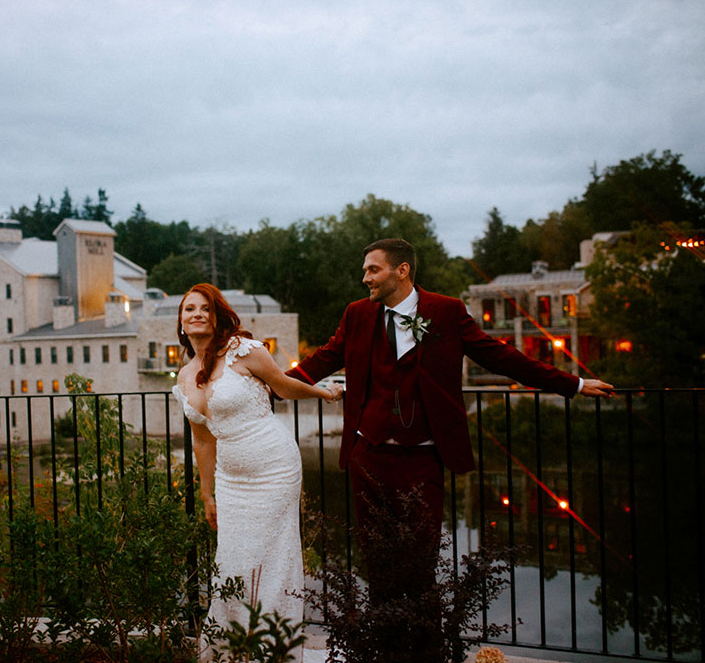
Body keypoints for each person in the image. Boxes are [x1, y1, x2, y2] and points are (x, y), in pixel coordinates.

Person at [286, 238, 614, 659]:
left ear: (402, 270)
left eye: (373, 269)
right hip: (368, 457)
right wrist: (267, 384)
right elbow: (321, 360)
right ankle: (386, 652)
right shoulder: (357, 314)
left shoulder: (445, 311)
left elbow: (500, 357)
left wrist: (573, 383)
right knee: (379, 565)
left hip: (423, 456)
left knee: (420, 566)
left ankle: (426, 652)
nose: (364, 277)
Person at [172, 283, 342, 661]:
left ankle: (273, 649)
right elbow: (202, 442)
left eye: (205, 308)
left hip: (274, 468)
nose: (196, 314)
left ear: (217, 317)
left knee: (271, 558)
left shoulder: (243, 351)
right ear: (181, 323)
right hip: (231, 482)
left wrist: (323, 393)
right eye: (189, 310)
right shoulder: (184, 378)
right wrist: (206, 493)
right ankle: (234, 649)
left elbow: (283, 386)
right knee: (232, 560)